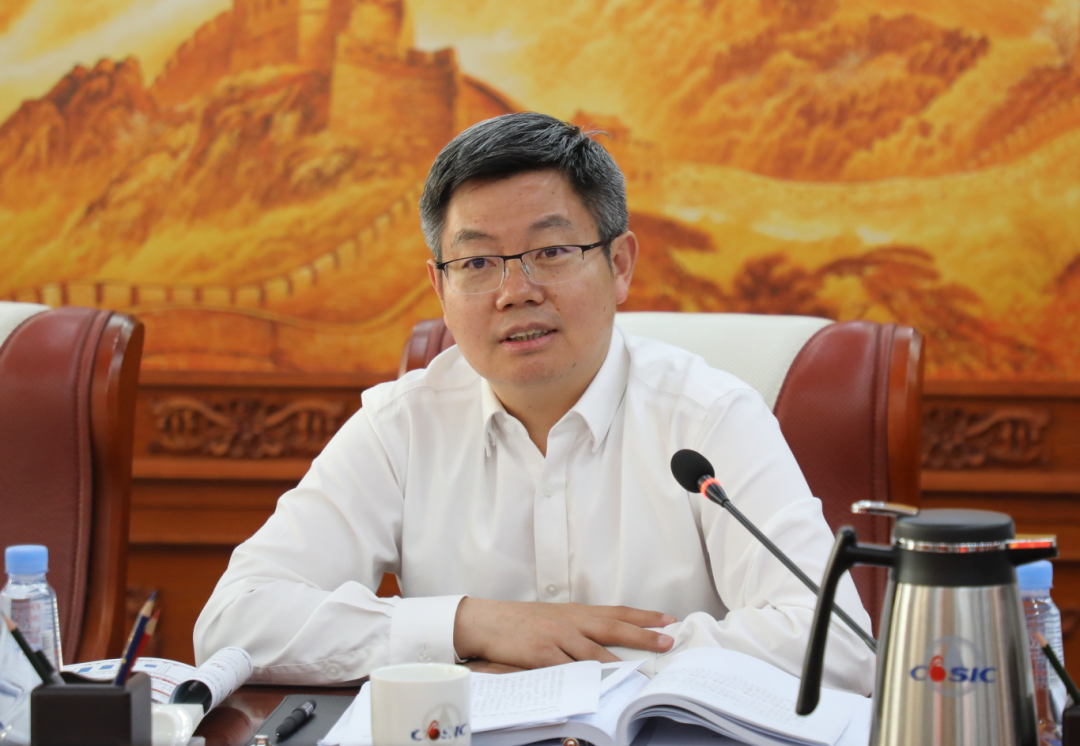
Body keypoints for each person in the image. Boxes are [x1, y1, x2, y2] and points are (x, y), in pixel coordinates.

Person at [194, 112, 874, 693]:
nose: (515, 292)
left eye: (550, 251)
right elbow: (234, 622)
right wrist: (473, 624)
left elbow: (840, 646)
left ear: (620, 265)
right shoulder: (400, 427)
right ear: (440, 288)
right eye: (477, 263)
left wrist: (583, 654)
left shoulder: (711, 419)